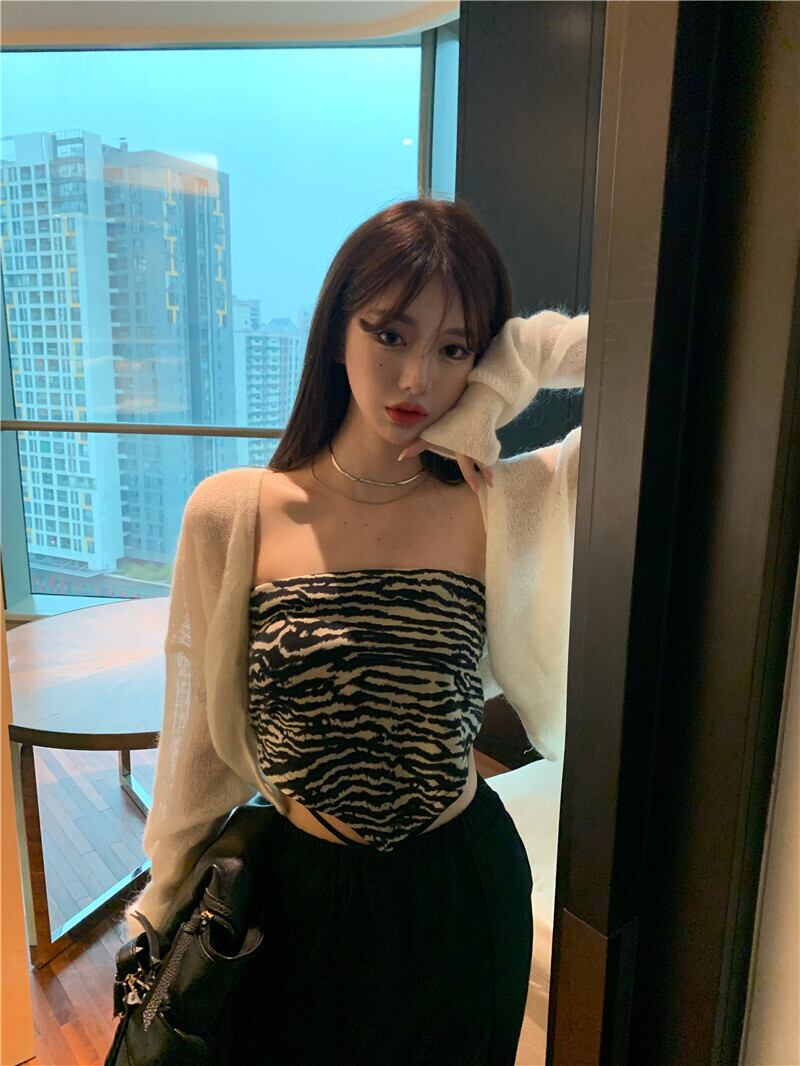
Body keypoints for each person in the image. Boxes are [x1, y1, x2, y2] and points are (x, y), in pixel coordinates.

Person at [123, 197, 588, 1064]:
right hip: (296, 904)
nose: (415, 379)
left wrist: (509, 369)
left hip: (461, 890)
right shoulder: (234, 513)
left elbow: (650, 367)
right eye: (391, 335)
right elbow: (199, 747)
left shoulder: (504, 500)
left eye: (453, 348)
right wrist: (163, 893)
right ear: (337, 331)